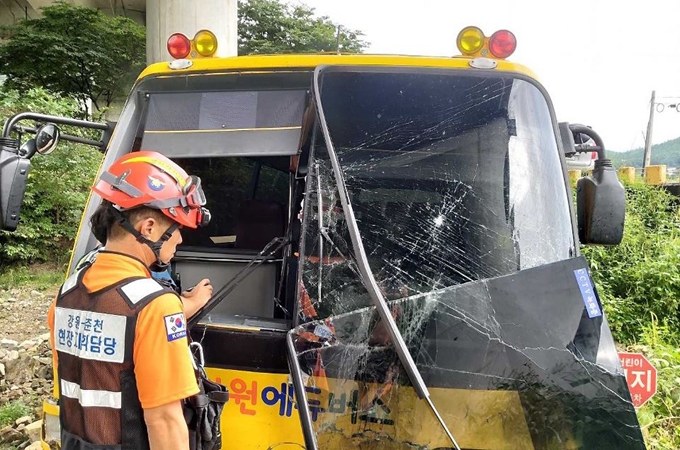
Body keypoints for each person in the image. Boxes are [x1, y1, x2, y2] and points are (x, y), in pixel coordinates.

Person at [47, 151, 214, 449]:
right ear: (148, 227)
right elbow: (164, 419)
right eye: (176, 230)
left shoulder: (66, 294)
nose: (180, 240)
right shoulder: (155, 306)